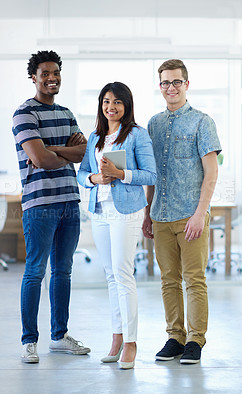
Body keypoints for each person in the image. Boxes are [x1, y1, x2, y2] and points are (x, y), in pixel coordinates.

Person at [12, 50, 90, 363]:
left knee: (63, 272)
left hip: (70, 201)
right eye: (44, 73)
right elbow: (40, 160)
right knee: (35, 271)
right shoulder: (24, 113)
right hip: (40, 205)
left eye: (55, 72)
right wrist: (61, 152)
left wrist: (51, 149)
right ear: (34, 77)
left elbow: (84, 152)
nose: (51, 78)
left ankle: (59, 336)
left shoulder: (68, 113)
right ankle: (29, 341)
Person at [143, 59, 221, 364]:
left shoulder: (202, 122)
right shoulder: (153, 124)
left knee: (194, 279)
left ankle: (195, 340)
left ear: (186, 84)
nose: (171, 88)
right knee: (168, 280)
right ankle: (175, 337)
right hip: (160, 216)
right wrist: (148, 211)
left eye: (176, 82)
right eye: (165, 82)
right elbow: (152, 173)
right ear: (159, 86)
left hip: (191, 215)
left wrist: (201, 213)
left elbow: (211, 173)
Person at [77, 82, 156, 369]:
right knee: (110, 275)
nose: (112, 107)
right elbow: (83, 172)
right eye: (107, 101)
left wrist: (120, 173)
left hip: (126, 211)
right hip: (100, 210)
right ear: (101, 105)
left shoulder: (137, 134)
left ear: (127, 105)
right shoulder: (96, 136)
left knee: (124, 274)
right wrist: (94, 179)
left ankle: (132, 343)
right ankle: (117, 337)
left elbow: (151, 174)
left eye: (118, 102)